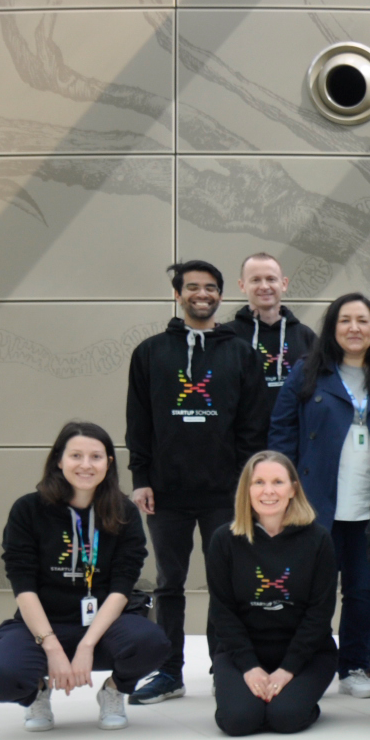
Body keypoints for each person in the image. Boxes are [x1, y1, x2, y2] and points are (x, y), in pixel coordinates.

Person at [125, 260, 271, 704]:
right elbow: (139, 422)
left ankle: (223, 667)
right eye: (192, 287)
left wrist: (247, 486)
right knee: (169, 583)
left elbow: (253, 428)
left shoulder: (241, 353)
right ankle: (169, 671)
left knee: (225, 584)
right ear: (178, 294)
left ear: (221, 295)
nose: (201, 294)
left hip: (224, 494)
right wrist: (141, 478)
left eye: (210, 288)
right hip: (165, 493)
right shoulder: (149, 353)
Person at [0, 422, 169, 731]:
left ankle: (114, 691)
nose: (86, 465)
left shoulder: (123, 512)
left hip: (103, 625)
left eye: (96, 457)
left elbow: (121, 587)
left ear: (109, 462)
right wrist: (51, 646)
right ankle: (36, 692)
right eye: (76, 455)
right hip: (42, 625)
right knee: (0, 677)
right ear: (58, 460)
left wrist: (87, 645)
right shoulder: (28, 510)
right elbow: (23, 586)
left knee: (152, 644)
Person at [269, 294, 370, 702]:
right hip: (316, 503)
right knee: (310, 591)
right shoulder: (307, 373)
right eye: (345, 320)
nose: (354, 328)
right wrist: (281, 491)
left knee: (362, 591)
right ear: (332, 328)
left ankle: (352, 666)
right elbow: (281, 435)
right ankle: (302, 664)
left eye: (362, 320)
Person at [206, 452, 339, 737]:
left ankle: (298, 700)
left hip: (306, 655)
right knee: (239, 721)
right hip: (242, 652)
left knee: (286, 718)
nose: (268, 491)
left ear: (293, 489)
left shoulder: (318, 540)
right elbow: (222, 612)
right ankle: (241, 695)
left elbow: (320, 614)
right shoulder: (224, 540)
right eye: (259, 482)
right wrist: (249, 667)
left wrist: (287, 669)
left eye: (278, 482)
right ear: (247, 489)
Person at [233, 252, 317, 393]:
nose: (264, 286)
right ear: (242, 286)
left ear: (284, 284)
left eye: (271, 279)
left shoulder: (305, 336)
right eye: (255, 280)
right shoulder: (229, 337)